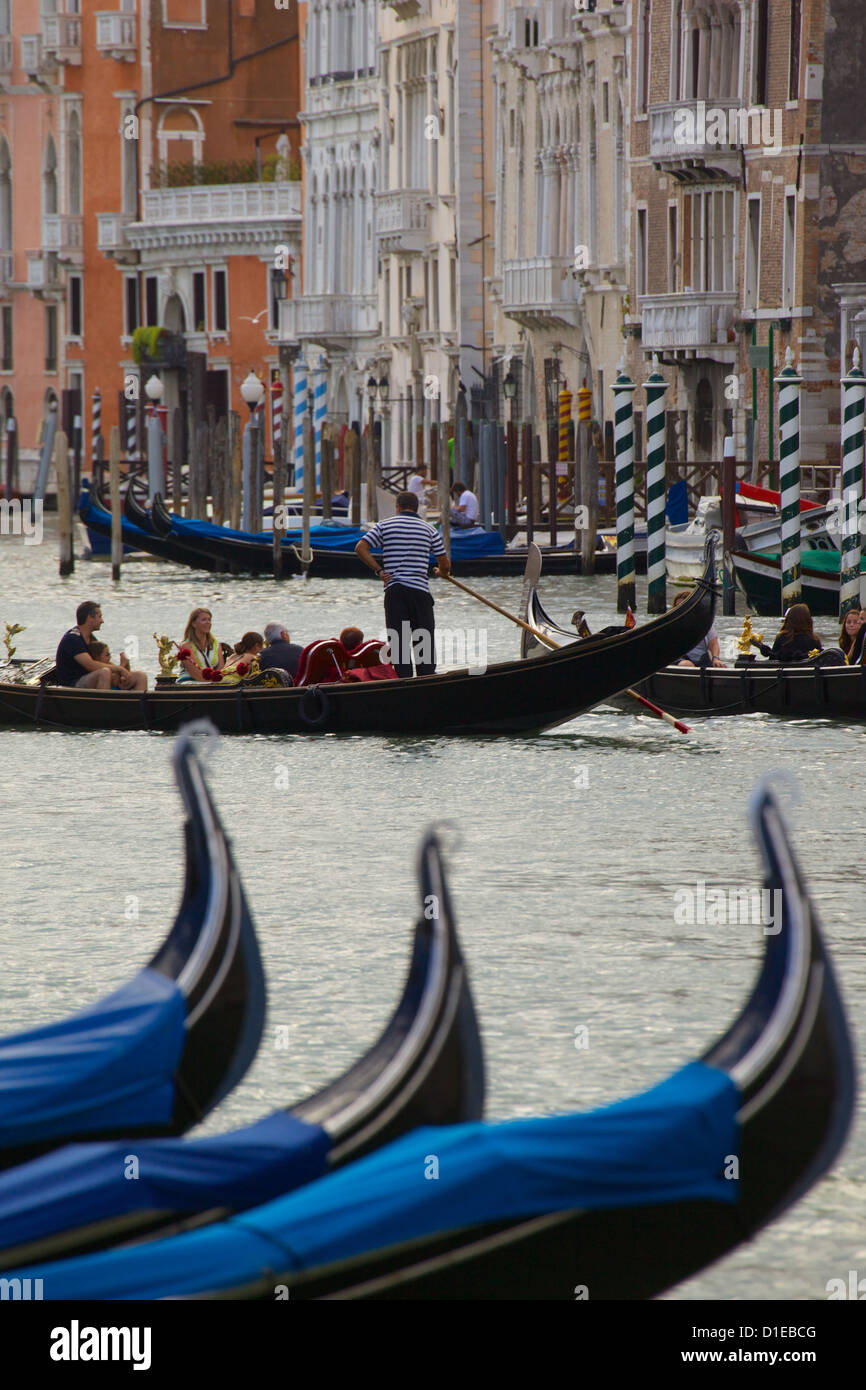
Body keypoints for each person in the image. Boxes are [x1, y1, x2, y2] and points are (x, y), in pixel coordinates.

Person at [355, 491, 451, 678]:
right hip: (420, 592)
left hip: (395, 590)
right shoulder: (429, 529)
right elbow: (445, 563)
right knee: (423, 640)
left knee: (399, 642)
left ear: (397, 507)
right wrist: (442, 573)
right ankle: (426, 680)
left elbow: (360, 548)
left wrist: (379, 571)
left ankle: (404, 681)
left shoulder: (384, 526)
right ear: (416, 508)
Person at [54, 601, 146, 690]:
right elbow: (91, 665)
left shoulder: (91, 639)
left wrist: (123, 666)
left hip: (90, 679)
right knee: (104, 672)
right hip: (72, 685)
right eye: (100, 617)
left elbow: (104, 663)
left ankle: (137, 705)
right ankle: (103, 705)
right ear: (90, 618)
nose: (102, 621)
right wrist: (119, 668)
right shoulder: (72, 639)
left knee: (140, 676)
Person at [672, 590, 724, 667]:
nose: (680, 609)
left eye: (683, 605)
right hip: (679, 658)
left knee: (720, 666)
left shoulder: (704, 622)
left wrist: (715, 658)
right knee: (686, 664)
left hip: (701, 659)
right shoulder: (672, 623)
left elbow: (713, 644)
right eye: (677, 606)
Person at [177, 608, 225, 683]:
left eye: (209, 620)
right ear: (193, 624)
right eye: (204, 620)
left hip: (212, 683)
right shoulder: (186, 646)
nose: (208, 622)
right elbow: (196, 674)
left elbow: (221, 668)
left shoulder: (216, 644)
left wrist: (216, 680)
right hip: (190, 681)